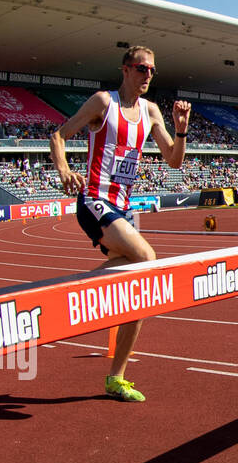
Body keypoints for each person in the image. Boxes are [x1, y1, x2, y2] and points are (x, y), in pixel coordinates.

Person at [49, 46, 192, 402]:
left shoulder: (152, 111)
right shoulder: (103, 103)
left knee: (138, 286)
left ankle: (116, 376)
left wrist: (181, 131)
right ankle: (71, 292)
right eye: (142, 69)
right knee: (147, 257)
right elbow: (59, 135)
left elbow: (173, 161)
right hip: (95, 200)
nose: (148, 76)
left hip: (123, 208)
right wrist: (65, 170)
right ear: (126, 70)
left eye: (153, 71)